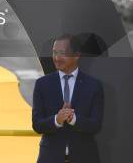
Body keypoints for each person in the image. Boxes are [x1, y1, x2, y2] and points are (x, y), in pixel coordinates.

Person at [32, 34, 104, 163]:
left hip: (85, 158)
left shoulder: (94, 85)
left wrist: (74, 119)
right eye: (54, 53)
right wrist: (56, 120)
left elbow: (95, 125)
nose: (57, 58)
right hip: (50, 158)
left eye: (62, 53)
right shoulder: (42, 84)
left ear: (76, 55)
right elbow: (37, 125)